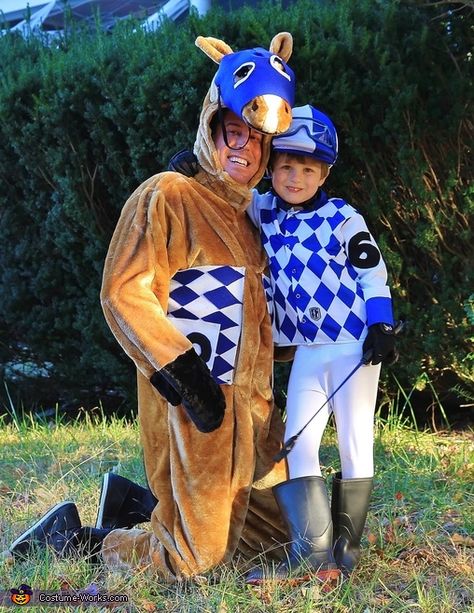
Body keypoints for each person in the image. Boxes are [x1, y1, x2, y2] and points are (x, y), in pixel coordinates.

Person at [4, 33, 298, 581]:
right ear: (212, 127)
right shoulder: (169, 194)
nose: (245, 148)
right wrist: (185, 377)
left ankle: (139, 510)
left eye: (257, 141)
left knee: (279, 540)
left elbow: (255, 325)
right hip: (198, 413)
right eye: (234, 133)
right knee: (196, 563)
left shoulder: (252, 223)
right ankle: (85, 540)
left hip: (255, 418)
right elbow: (125, 291)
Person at [242, 105, 396, 583]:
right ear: (271, 166)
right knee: (297, 440)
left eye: (307, 168)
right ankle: (312, 553)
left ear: (324, 172)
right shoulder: (261, 208)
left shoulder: (343, 217)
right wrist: (194, 166)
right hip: (308, 348)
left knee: (354, 437)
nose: (294, 177)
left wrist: (382, 326)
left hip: (351, 345)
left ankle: (345, 554)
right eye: (286, 165)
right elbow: (222, 192)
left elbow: (373, 273)